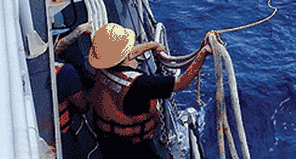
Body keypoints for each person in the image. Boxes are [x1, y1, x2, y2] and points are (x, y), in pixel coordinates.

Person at [87, 23, 212, 158]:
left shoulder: (101, 69)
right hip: (134, 146)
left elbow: (124, 54)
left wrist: (151, 45)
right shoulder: (139, 83)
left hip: (107, 139)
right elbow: (182, 83)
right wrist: (202, 54)